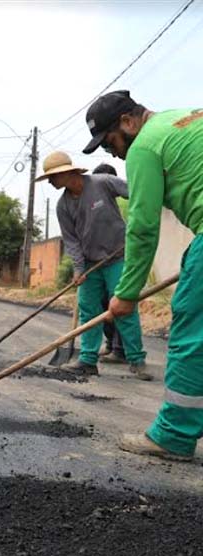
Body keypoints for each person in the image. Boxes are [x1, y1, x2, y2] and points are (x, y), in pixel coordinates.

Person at [83, 90, 203, 461]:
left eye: (111, 142)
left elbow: (143, 226)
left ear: (127, 122)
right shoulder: (185, 119)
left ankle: (172, 436)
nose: (112, 153)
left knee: (191, 333)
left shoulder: (144, 147)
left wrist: (127, 291)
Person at [35, 150, 151, 380]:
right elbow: (71, 241)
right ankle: (88, 360)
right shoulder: (63, 206)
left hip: (117, 257)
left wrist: (139, 225)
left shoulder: (103, 183)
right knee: (89, 310)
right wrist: (78, 268)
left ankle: (137, 359)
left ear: (67, 173)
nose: (50, 182)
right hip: (90, 264)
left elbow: (136, 192)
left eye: (53, 177)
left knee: (124, 306)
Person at [91, 163, 127, 364]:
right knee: (104, 304)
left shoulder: (119, 203)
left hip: (120, 258)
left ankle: (121, 349)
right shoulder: (93, 202)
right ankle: (111, 343)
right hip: (100, 262)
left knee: (120, 303)